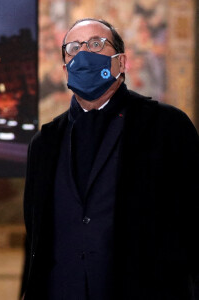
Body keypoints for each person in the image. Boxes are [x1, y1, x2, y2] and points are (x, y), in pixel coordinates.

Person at [21, 18, 199, 300]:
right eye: (73, 48)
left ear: (121, 62)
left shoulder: (167, 126)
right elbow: (36, 240)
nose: (84, 54)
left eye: (96, 44)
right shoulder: (44, 144)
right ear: (65, 67)